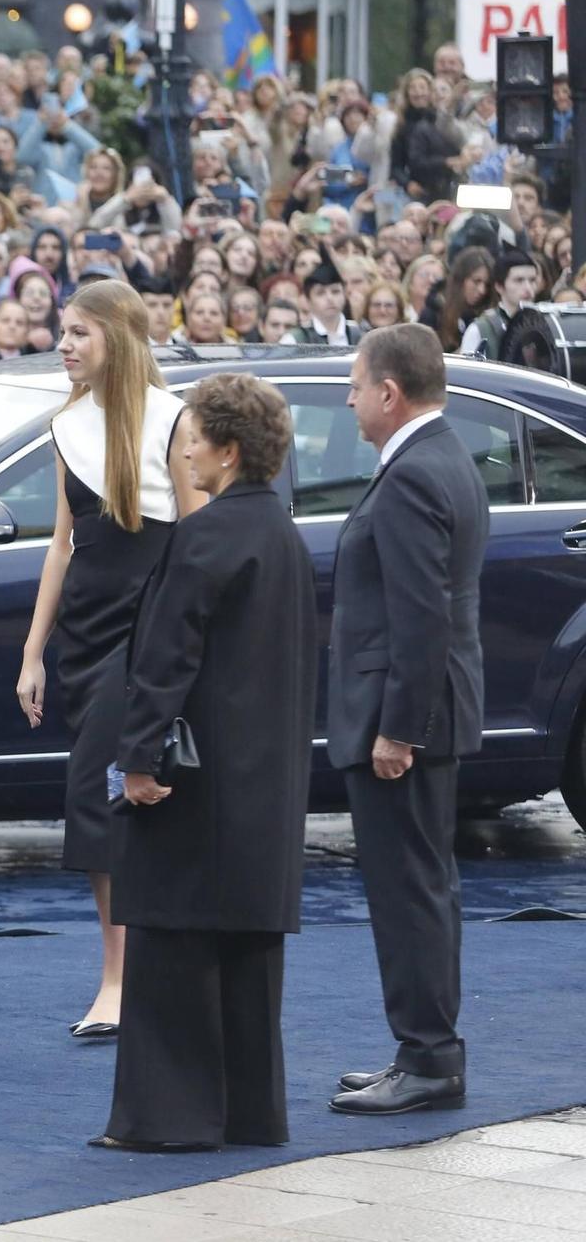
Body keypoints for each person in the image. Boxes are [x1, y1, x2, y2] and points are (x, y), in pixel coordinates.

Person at [94, 373, 317, 1152]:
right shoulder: (283, 534)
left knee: (171, 946)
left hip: (197, 782)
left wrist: (141, 757)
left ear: (226, 451)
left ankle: (170, 1118)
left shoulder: (208, 534)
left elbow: (165, 658)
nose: (182, 447)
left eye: (192, 435)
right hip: (264, 783)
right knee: (249, 957)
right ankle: (249, 1114)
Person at [17, 280, 205, 1041]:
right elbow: (61, 545)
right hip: (86, 636)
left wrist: (187, 646)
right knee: (97, 802)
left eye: (78, 333)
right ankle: (120, 973)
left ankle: (129, 980)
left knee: (116, 798)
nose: (63, 344)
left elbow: (196, 543)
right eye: (62, 332)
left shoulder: (173, 419)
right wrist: (32, 649)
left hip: (147, 630)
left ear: (117, 338)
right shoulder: (67, 424)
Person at [327, 325, 486, 1117]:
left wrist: (399, 730)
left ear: (390, 393)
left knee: (411, 889)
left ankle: (427, 1056)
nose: (350, 400)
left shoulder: (417, 472)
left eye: (356, 386)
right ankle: (422, 1049)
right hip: (420, 714)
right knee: (422, 885)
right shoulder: (440, 455)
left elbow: (419, 619)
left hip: (405, 725)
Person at [461, 248, 540, 358]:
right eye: (519, 280)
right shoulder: (480, 329)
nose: (528, 288)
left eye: (532, 280)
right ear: (499, 286)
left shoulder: (544, 324)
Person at [285, 254, 364, 346]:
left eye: (335, 291)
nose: (330, 298)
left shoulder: (361, 335)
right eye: (320, 293)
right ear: (308, 301)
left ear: (345, 294)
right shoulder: (294, 340)